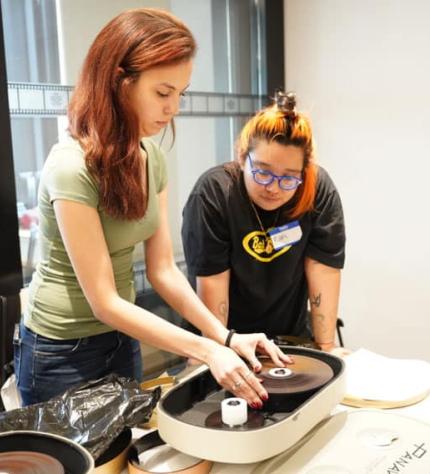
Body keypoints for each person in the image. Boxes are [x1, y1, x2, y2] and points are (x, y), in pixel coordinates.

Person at [14, 8, 289, 408]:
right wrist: (208, 351)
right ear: (120, 83)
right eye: (163, 93)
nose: (173, 108)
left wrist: (223, 336)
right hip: (58, 352)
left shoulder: (150, 158)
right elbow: (103, 300)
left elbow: (162, 270)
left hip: (122, 336)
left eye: (181, 93)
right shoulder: (70, 166)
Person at [182, 92, 346, 354]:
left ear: (304, 172)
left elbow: (323, 269)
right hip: (224, 338)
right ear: (241, 156)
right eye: (262, 172)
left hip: (290, 337)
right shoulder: (214, 193)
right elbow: (213, 284)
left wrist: (326, 349)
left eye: (288, 178)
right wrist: (218, 352)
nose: (273, 188)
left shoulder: (317, 189)